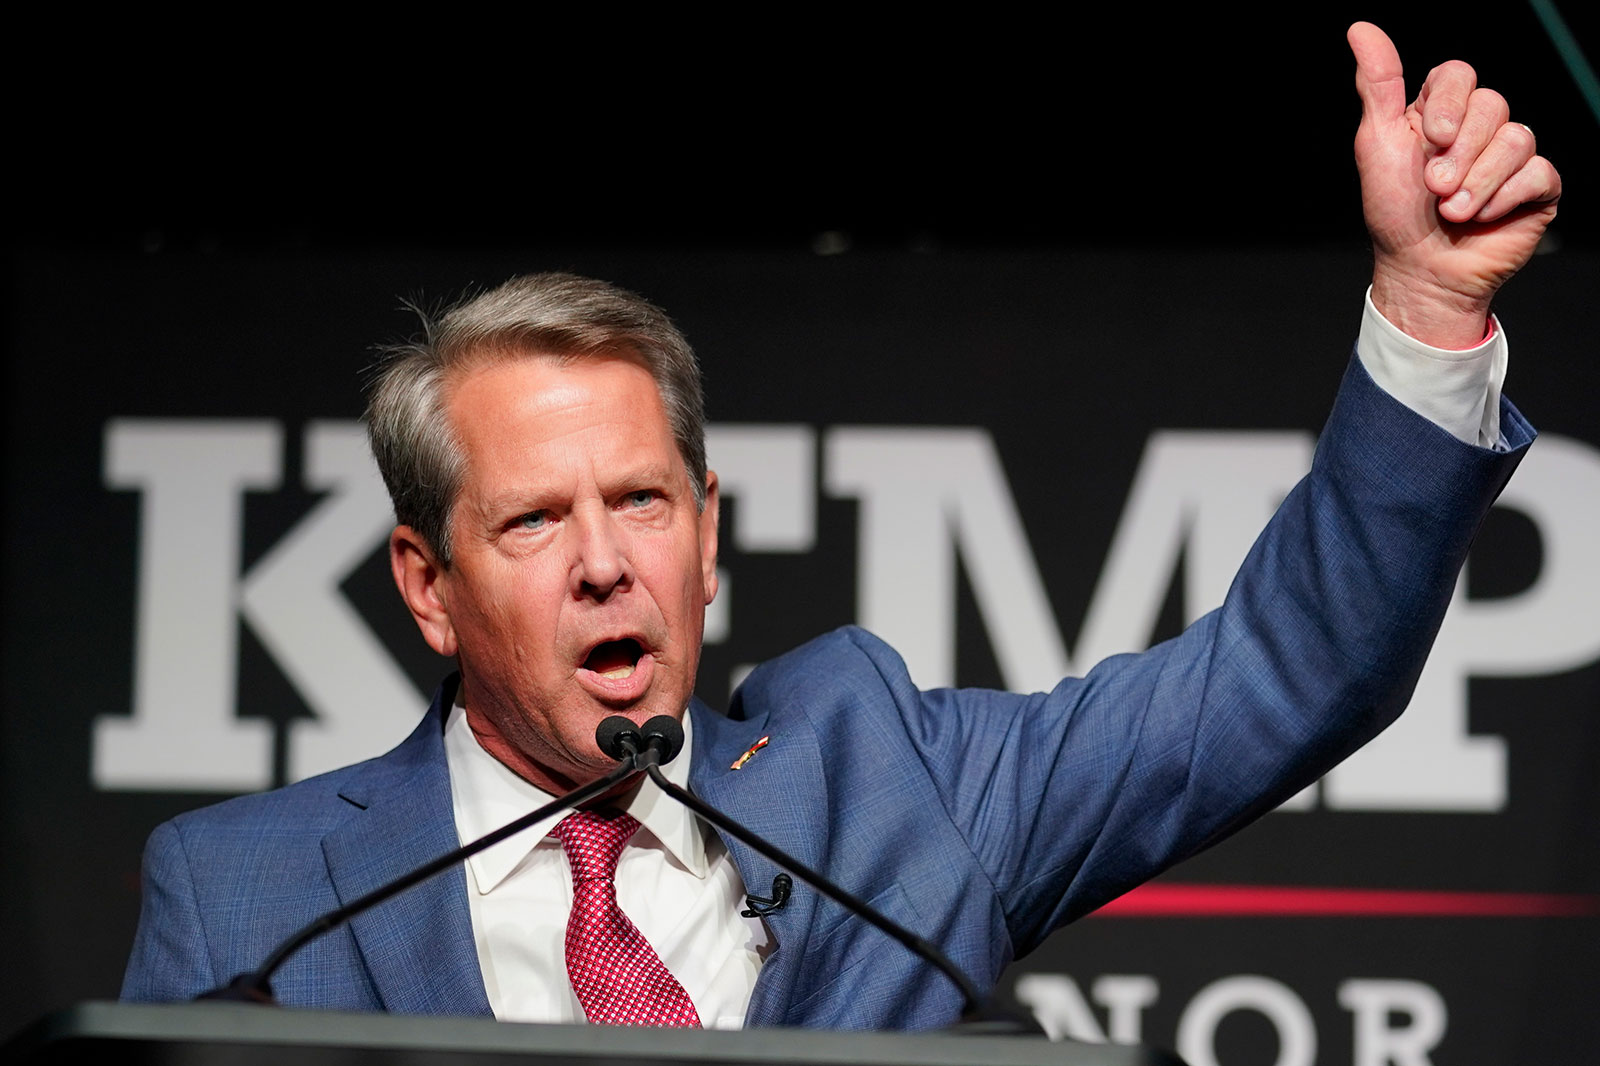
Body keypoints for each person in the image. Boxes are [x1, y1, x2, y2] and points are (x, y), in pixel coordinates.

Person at [122, 24, 1559, 1030]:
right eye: (535, 522)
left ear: (709, 529)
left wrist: (1430, 311)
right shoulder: (247, 894)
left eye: (640, 500)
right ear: (428, 585)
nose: (608, 560)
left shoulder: (888, 784)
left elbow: (1290, 672)